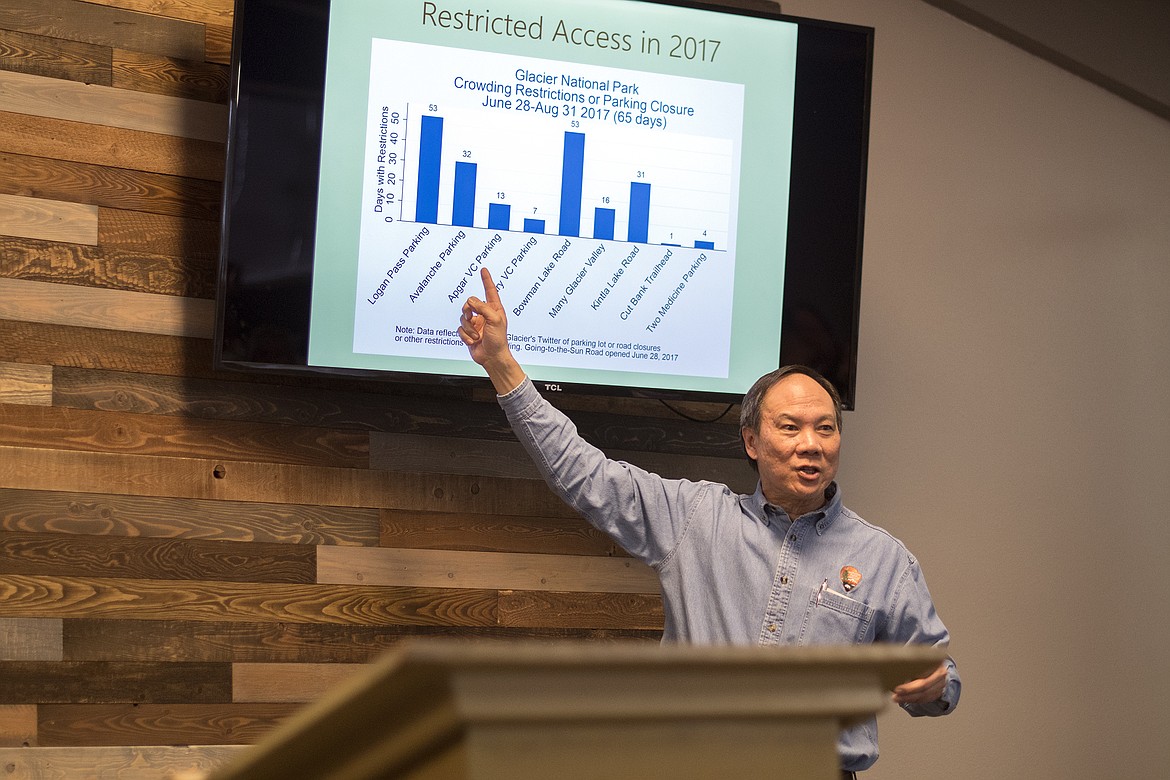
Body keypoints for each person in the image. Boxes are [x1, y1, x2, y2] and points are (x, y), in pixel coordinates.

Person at [458, 267, 960, 775]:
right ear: (751, 442)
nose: (811, 443)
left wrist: (935, 684)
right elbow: (585, 474)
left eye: (825, 428)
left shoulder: (883, 559)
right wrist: (501, 366)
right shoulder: (693, 517)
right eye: (790, 427)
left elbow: (939, 681)